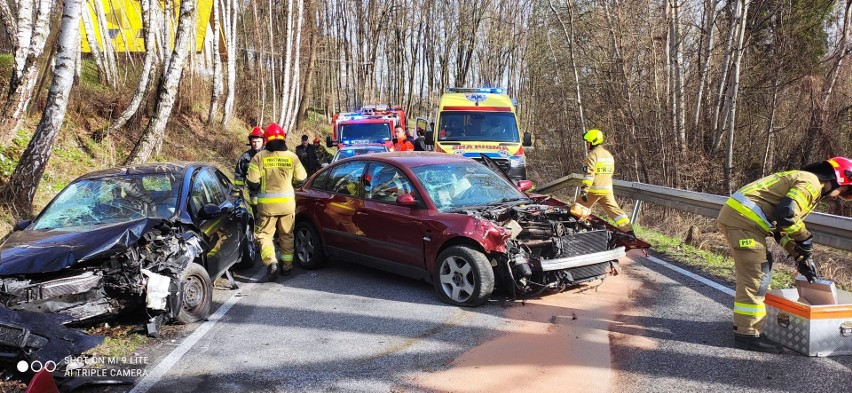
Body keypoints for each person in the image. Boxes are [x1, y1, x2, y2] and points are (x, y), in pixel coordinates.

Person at [717, 156, 852, 353]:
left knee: (762, 271)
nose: (838, 196)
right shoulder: (811, 183)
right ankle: (747, 334)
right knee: (756, 277)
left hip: (743, 221)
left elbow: (781, 227)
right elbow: (787, 215)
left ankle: (752, 325)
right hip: (743, 223)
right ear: (840, 178)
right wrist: (805, 238)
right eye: (845, 191)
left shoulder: (805, 180)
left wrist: (800, 256)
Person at [246, 123, 307, 282]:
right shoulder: (292, 157)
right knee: (287, 234)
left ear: (266, 139)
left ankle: (271, 262)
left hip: (267, 206)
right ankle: (287, 266)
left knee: (264, 235)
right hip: (287, 205)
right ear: (283, 138)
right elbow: (302, 178)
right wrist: (292, 184)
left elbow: (252, 181)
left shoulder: (259, 157)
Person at [575, 129, 634, 236]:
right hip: (607, 190)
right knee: (616, 212)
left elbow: (589, 175)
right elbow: (610, 172)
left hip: (593, 190)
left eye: (587, 142)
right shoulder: (608, 155)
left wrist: (584, 190)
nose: (586, 145)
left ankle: (578, 231)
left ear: (593, 142)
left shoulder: (592, 156)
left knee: (576, 210)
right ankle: (629, 232)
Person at [234, 127, 265, 217]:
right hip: (254, 195)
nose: (256, 144)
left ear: (263, 141)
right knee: (257, 217)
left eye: (258, 141)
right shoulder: (245, 157)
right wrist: (239, 191)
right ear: (250, 142)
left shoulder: (270, 155)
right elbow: (239, 175)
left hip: (270, 194)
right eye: (254, 142)